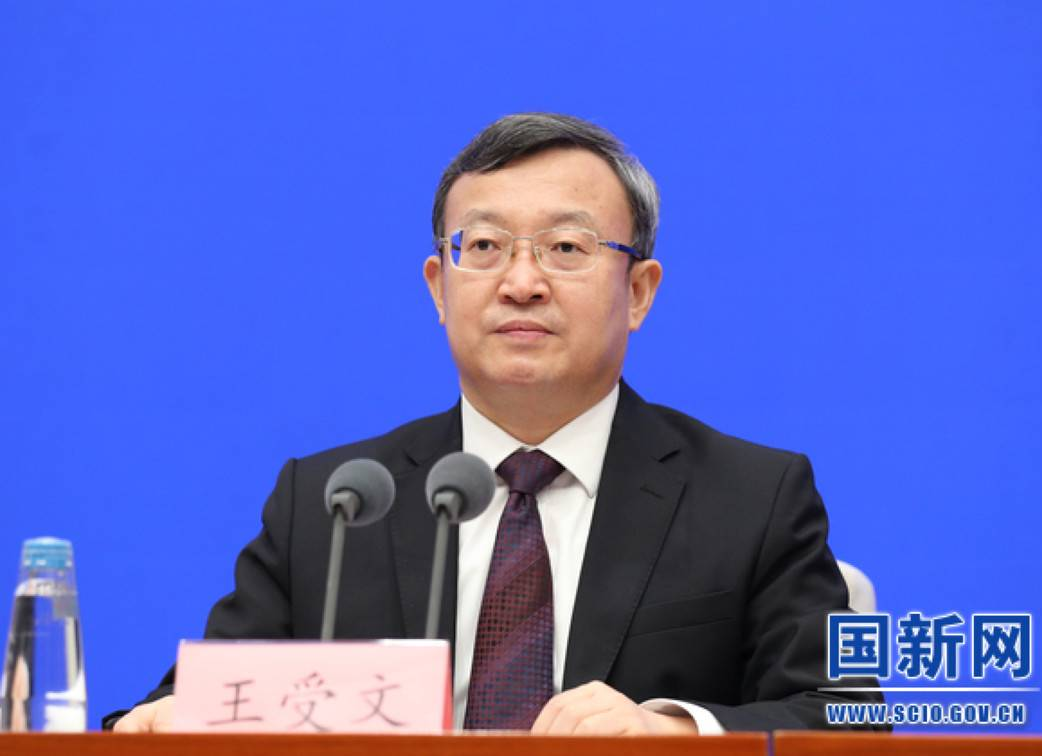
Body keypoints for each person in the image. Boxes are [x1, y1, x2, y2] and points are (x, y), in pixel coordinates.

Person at [109, 113, 883, 734]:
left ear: (639, 292)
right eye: (483, 246)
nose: (521, 282)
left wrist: (674, 731)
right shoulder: (334, 504)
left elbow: (847, 715)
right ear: (439, 288)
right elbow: (187, 706)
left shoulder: (751, 497)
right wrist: (165, 721)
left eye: (566, 247)